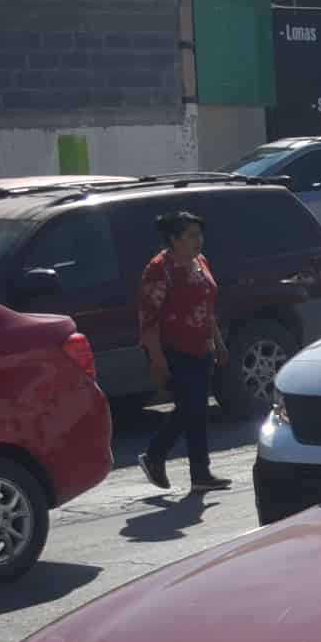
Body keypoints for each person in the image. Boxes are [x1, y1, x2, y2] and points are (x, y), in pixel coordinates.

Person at [137, 210, 232, 493]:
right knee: (191, 407)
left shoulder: (200, 262)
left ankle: (200, 474)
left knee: (196, 410)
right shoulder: (159, 269)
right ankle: (155, 455)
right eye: (191, 235)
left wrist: (218, 342)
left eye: (199, 234)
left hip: (202, 346)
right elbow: (148, 318)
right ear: (174, 239)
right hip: (173, 348)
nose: (198, 240)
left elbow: (207, 306)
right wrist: (156, 359)